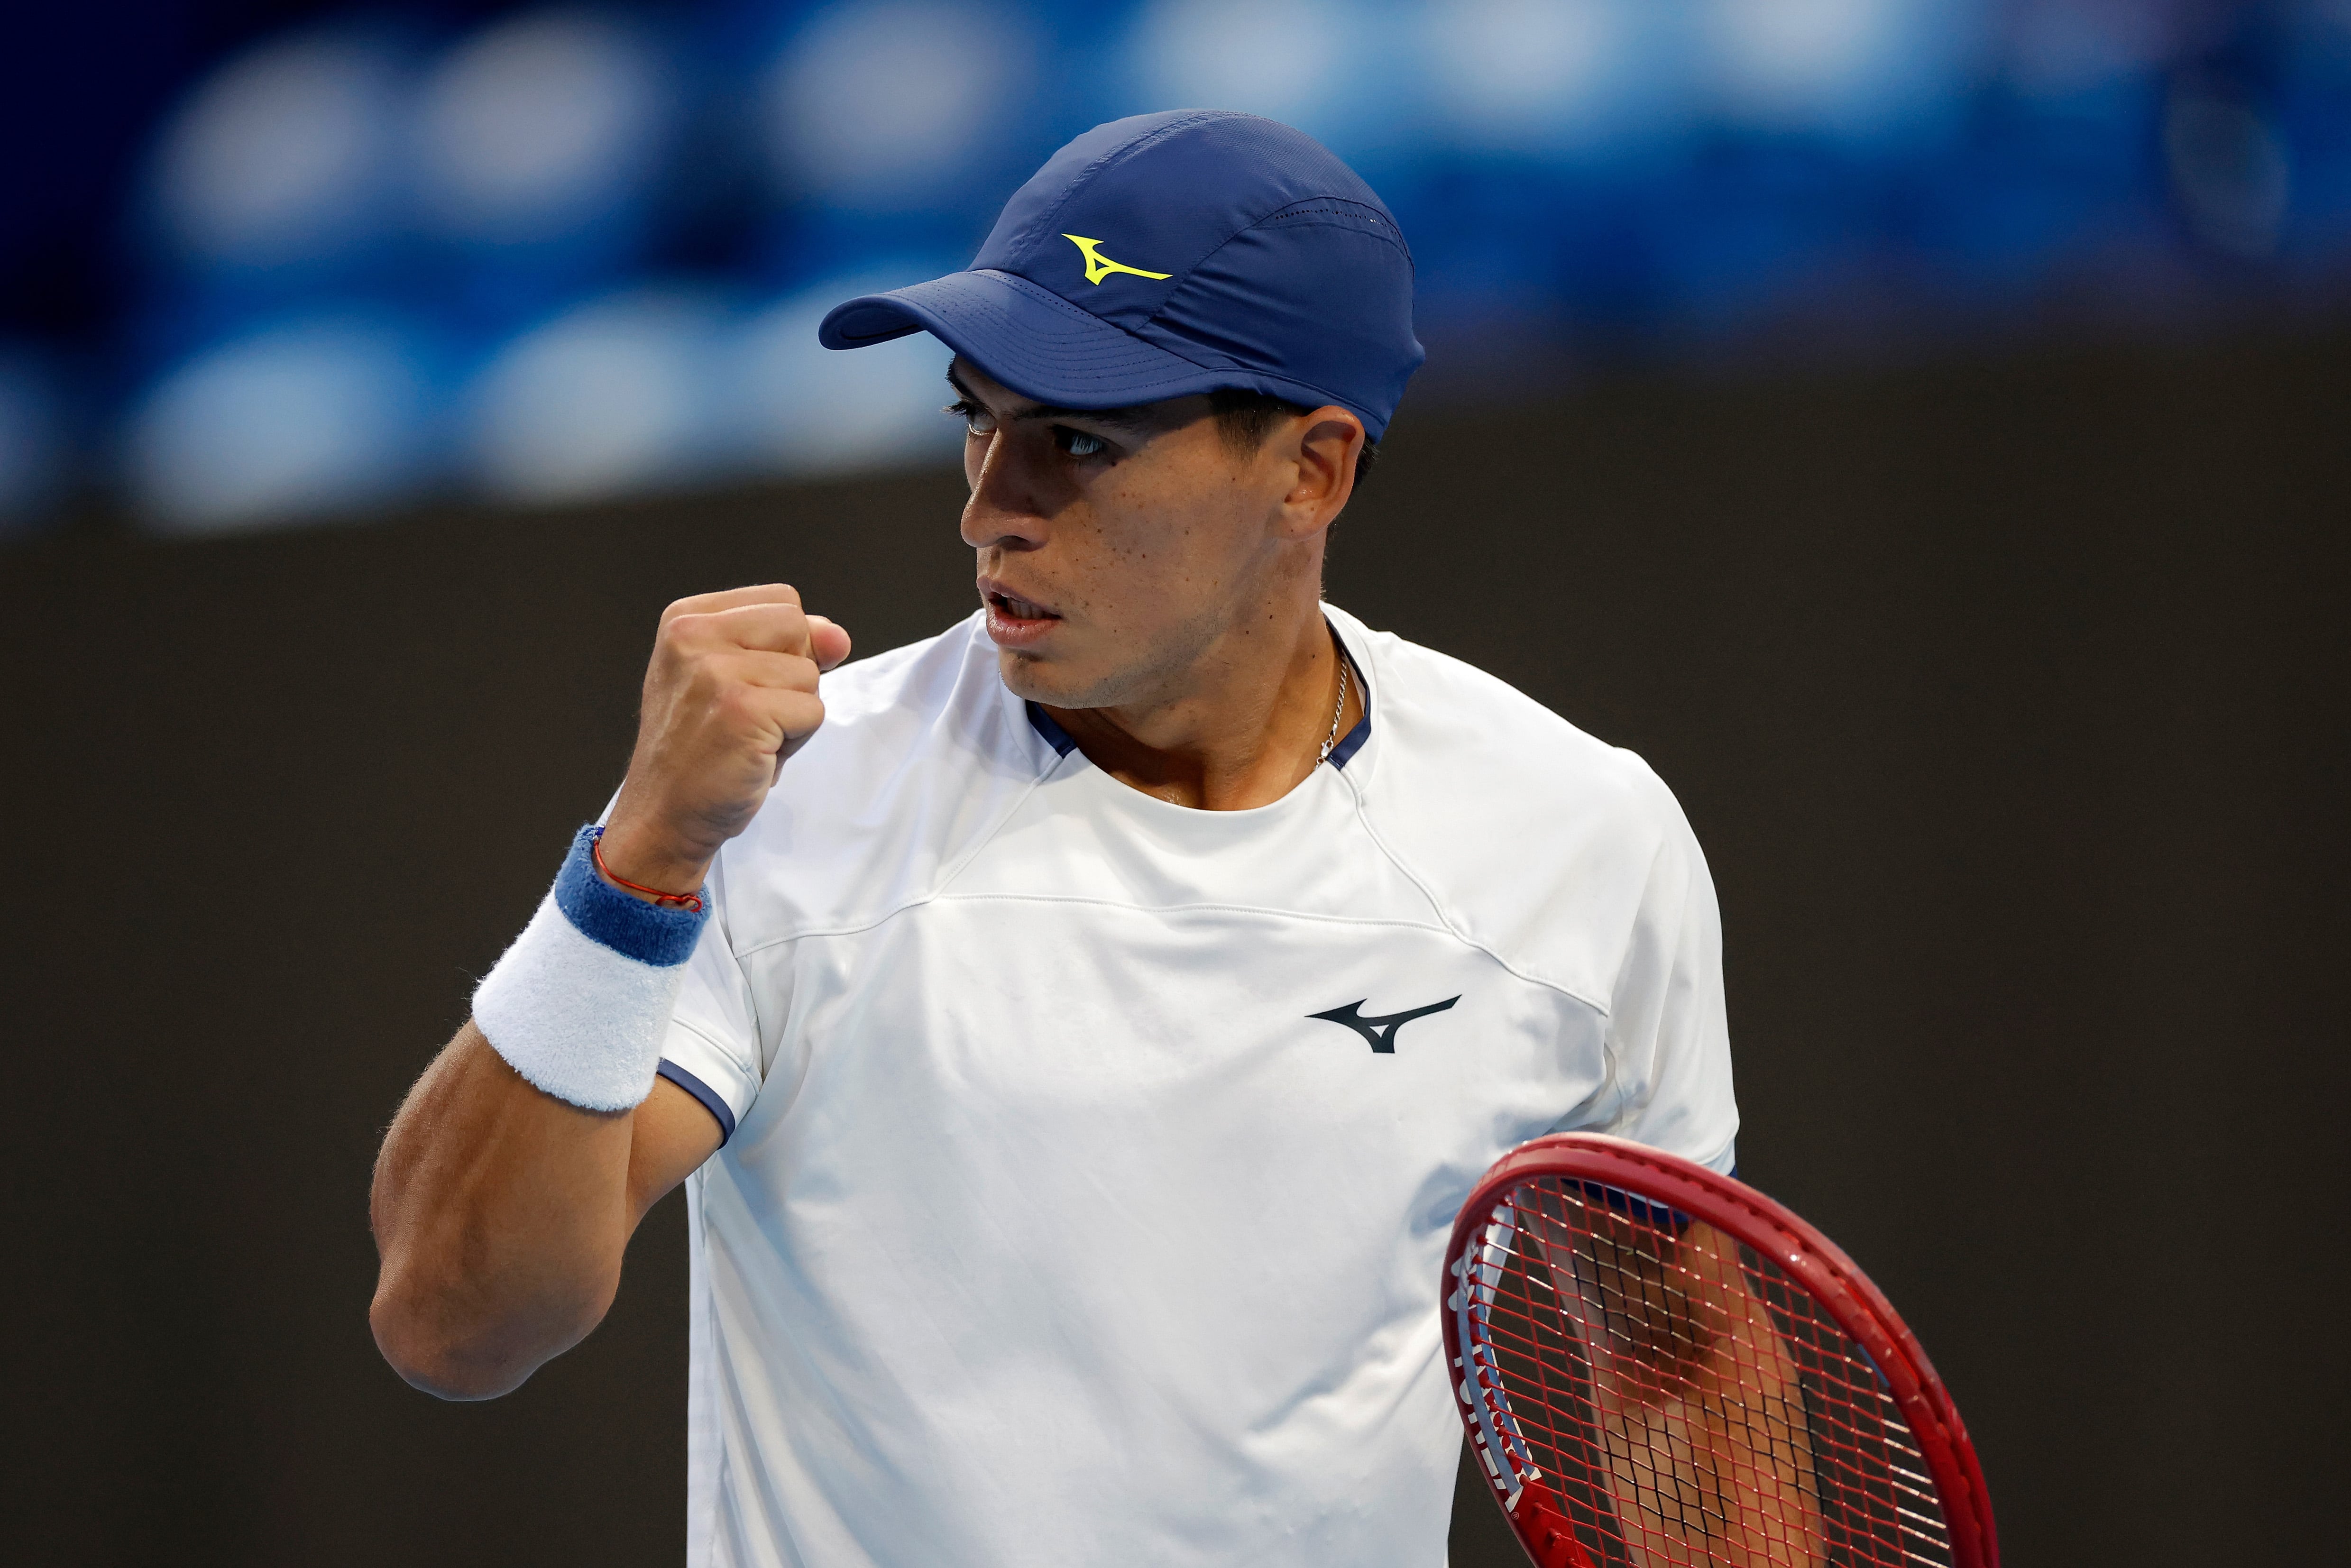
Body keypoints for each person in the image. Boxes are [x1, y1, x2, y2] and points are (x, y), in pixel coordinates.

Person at [370, 110, 1746, 1568]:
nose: (989, 509)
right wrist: (637, 864)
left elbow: (1679, 1371)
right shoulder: (792, 800)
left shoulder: (1581, 841)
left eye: (1078, 439)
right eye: (977, 418)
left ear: (1312, 470)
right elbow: (455, 1321)